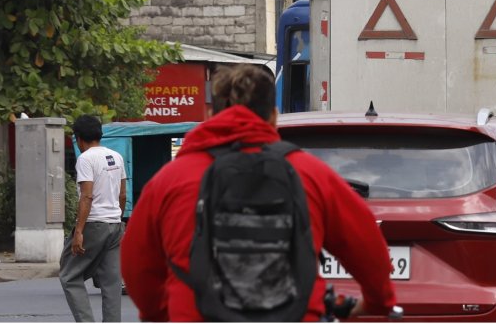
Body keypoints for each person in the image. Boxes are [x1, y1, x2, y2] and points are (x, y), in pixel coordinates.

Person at [121, 64, 397, 322]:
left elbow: (138, 267)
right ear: (273, 117)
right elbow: (368, 249)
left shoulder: (169, 180)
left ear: (209, 116)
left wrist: (161, 314)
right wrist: (378, 302)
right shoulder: (310, 173)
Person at [60, 115, 126, 323]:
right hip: (115, 224)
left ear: (78, 139)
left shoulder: (86, 159)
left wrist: (78, 231)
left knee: (69, 275)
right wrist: (117, 218)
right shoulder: (117, 156)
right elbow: (123, 195)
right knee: (111, 281)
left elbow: (87, 195)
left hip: (94, 224)